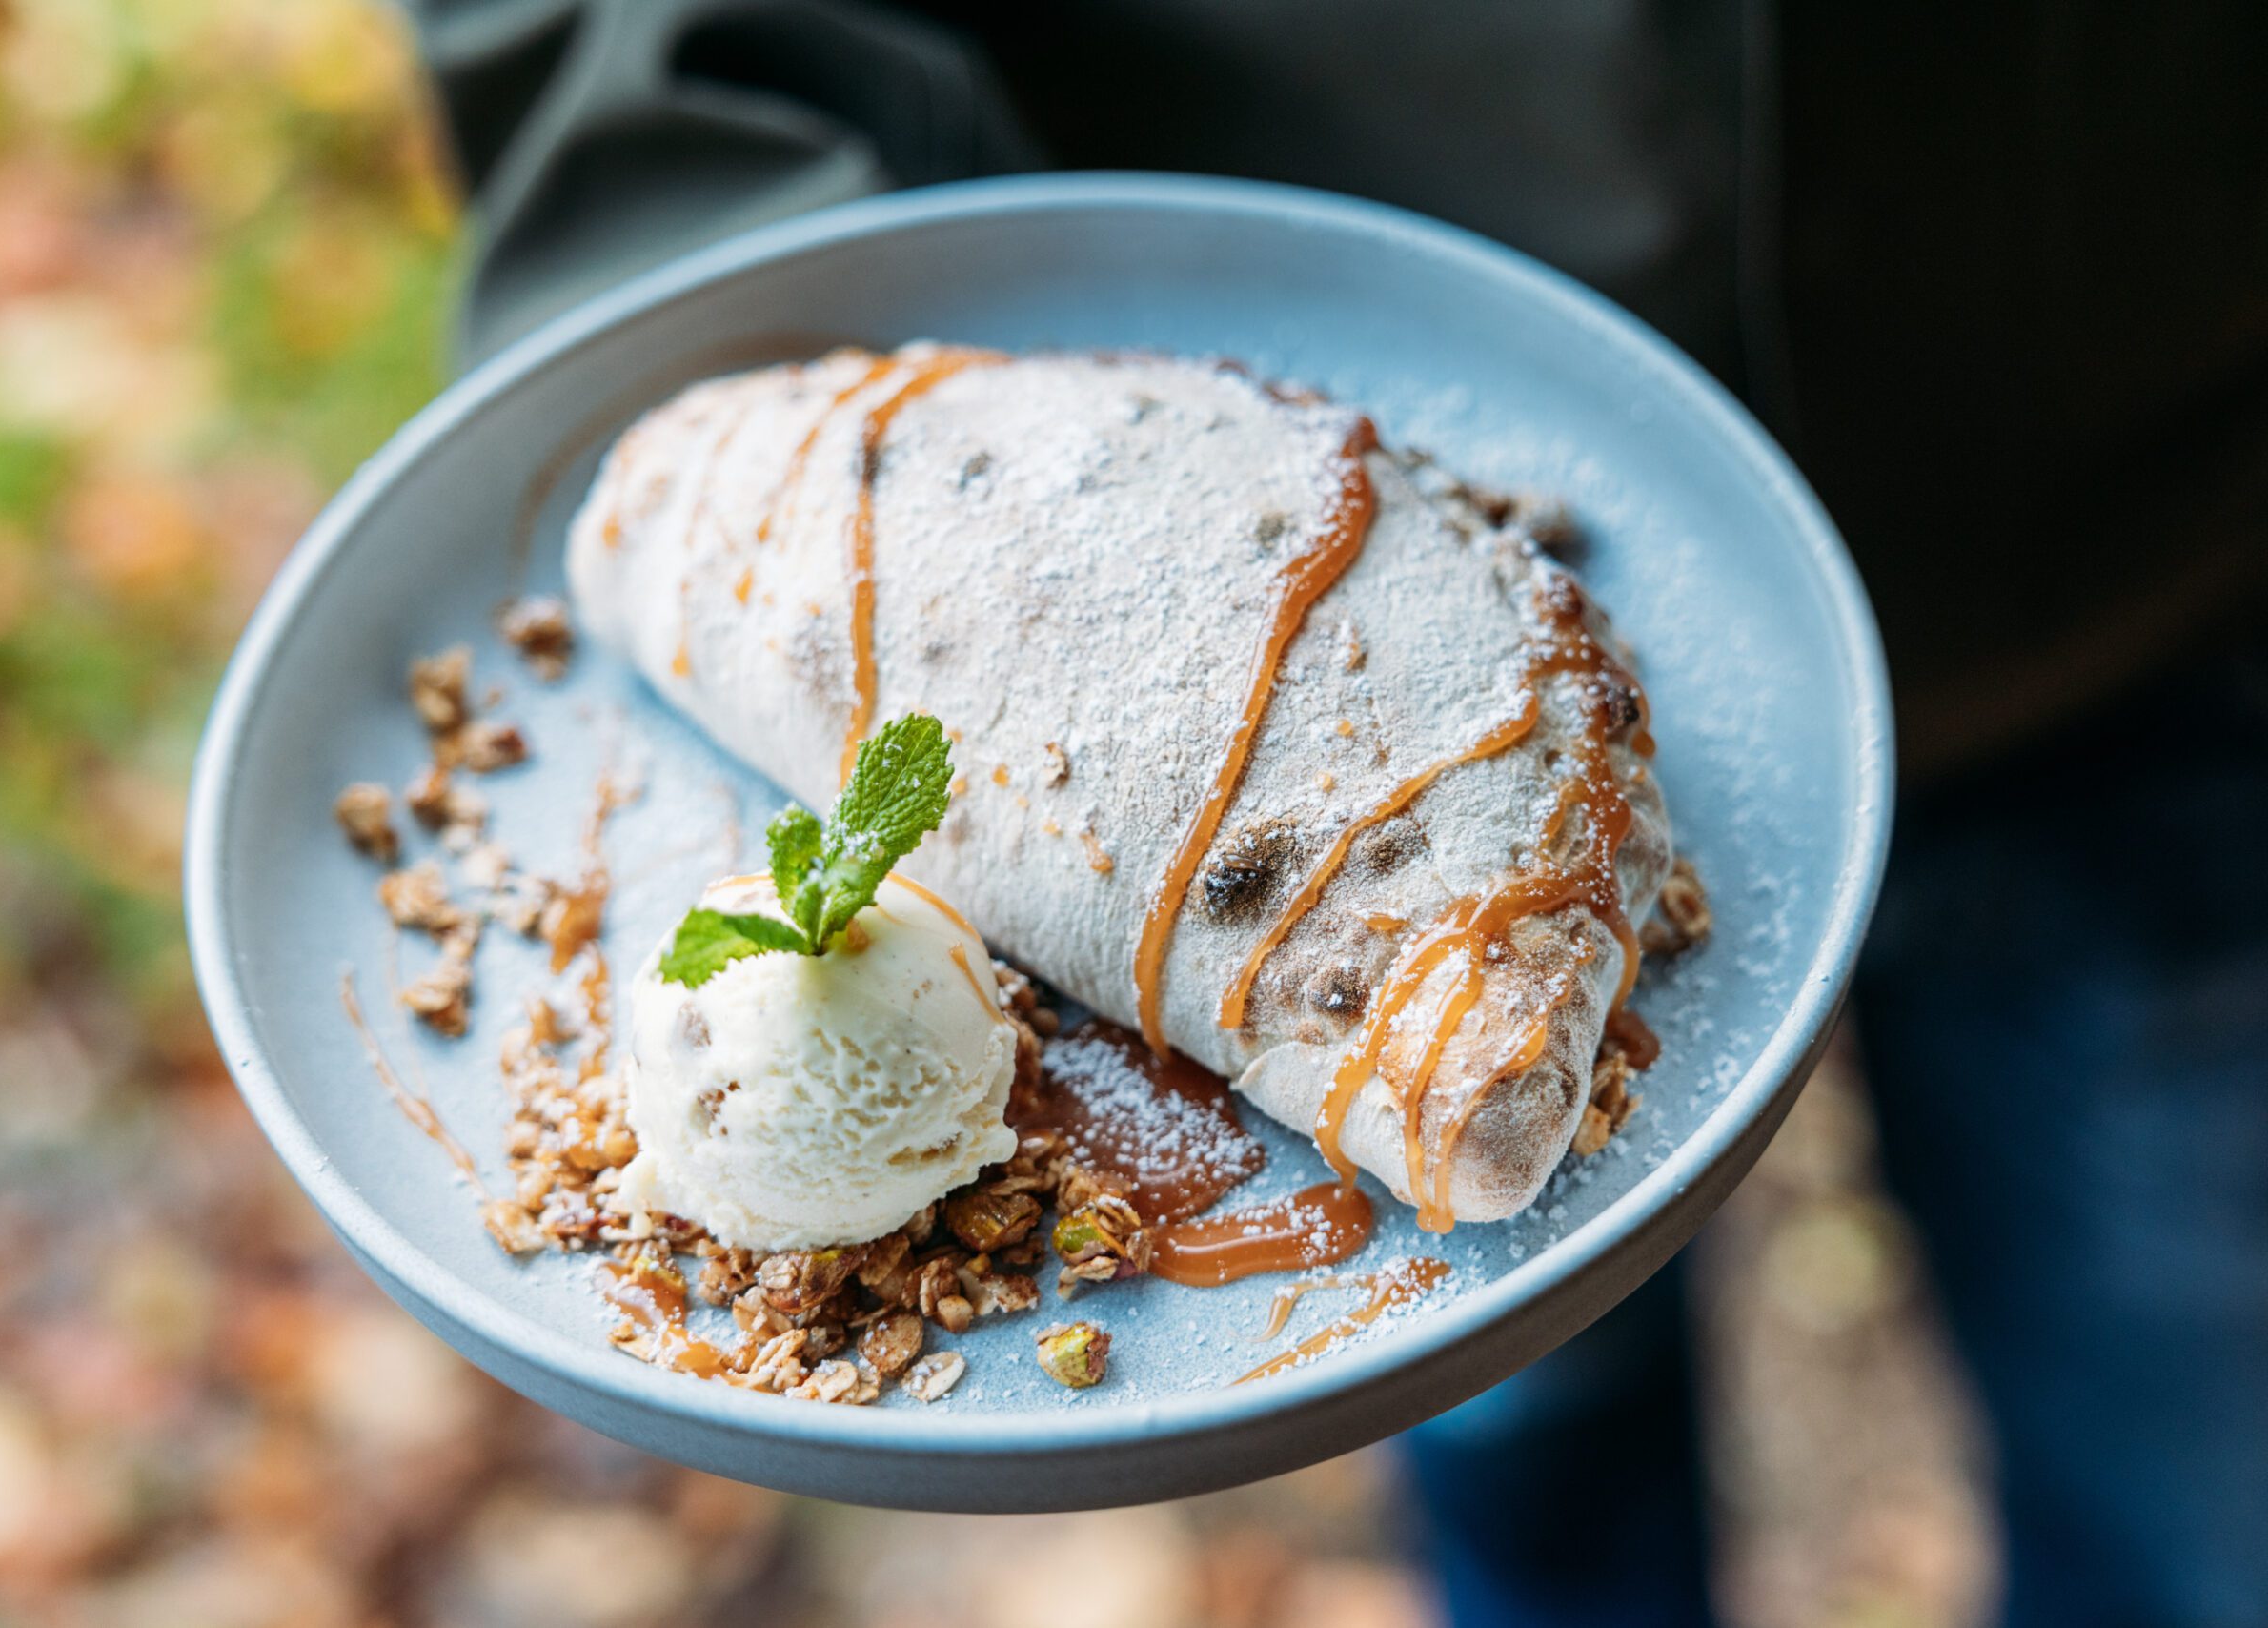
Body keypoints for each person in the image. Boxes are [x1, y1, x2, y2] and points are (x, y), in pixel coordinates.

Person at [400, 5, 2268, 1623]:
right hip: (1243, 294)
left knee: (2192, 1438)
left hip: (2154, 532)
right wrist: (759, 303)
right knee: (1507, 1389)